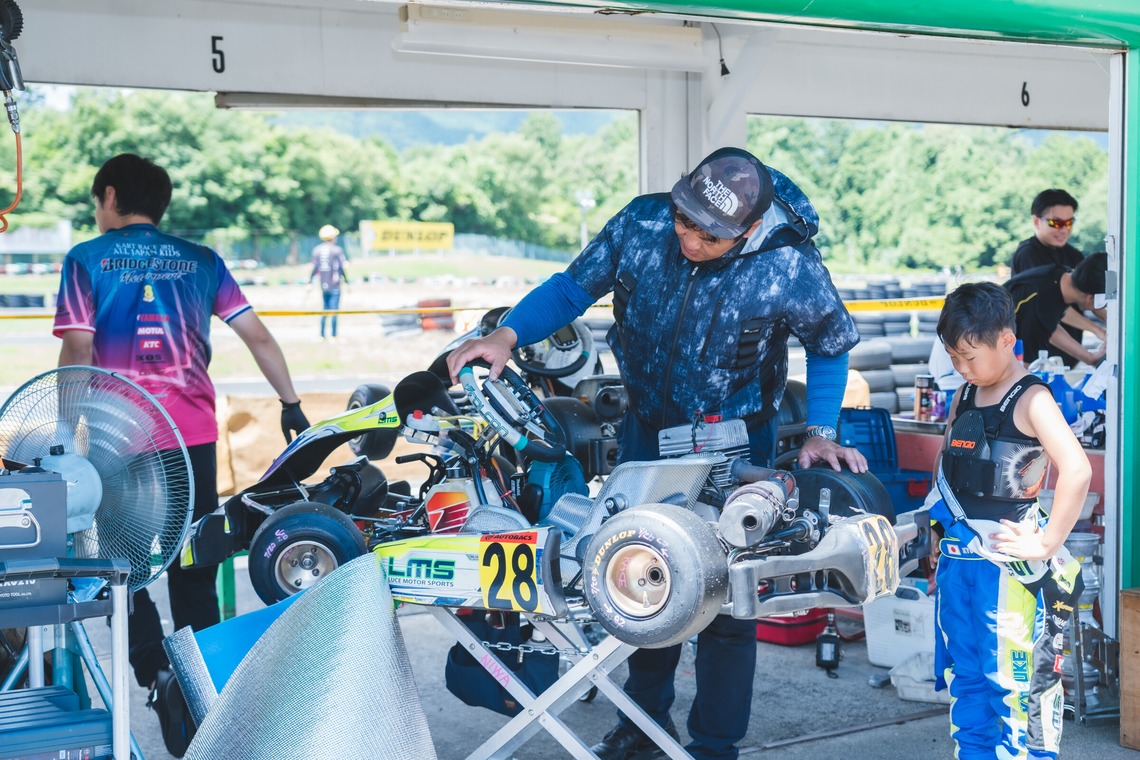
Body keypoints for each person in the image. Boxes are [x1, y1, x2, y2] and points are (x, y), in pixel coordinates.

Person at [446, 146, 867, 760]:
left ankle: (715, 744)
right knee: (638, 575)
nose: (690, 239)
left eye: (708, 235)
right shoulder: (641, 224)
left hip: (736, 437)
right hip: (648, 433)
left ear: (748, 231)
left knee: (725, 594)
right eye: (684, 220)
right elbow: (570, 289)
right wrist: (506, 334)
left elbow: (830, 344)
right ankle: (642, 727)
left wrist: (821, 431)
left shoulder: (789, 265)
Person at [52, 153, 310, 753]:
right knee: (195, 562)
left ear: (110, 196)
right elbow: (258, 336)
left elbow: (78, 350)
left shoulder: (86, 260)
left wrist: (67, 434)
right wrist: (290, 401)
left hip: (122, 441)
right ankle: (202, 693)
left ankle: (154, 671)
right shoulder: (203, 261)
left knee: (121, 566)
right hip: (192, 434)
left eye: (97, 202)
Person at [929, 282, 1089, 759]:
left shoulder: (1031, 398)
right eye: (953, 357)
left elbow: (1076, 470)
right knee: (967, 684)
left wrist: (1047, 542)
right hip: (960, 567)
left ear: (1005, 339)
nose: (962, 367)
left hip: (1008, 575)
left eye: (970, 356)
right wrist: (939, 535)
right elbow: (947, 468)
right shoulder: (963, 394)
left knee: (1015, 694)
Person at [1010, 189, 1087, 355]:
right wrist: (1097, 331)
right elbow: (1048, 310)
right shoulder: (1028, 254)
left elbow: (1091, 296)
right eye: (1057, 223)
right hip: (1036, 358)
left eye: (1069, 223)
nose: (1064, 230)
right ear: (1037, 221)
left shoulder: (1074, 255)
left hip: (1069, 356)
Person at [1004, 252, 1107, 368]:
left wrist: (1090, 357)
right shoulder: (1037, 303)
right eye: (1104, 303)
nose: (1103, 308)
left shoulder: (1060, 276)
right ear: (1091, 298)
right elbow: (1023, 366)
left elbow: (1050, 324)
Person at [310, 224, 349, 339]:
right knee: (334, 311)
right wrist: (347, 282)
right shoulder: (337, 250)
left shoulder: (317, 250)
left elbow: (315, 268)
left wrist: (309, 282)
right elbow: (341, 268)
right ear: (333, 237)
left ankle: (322, 335)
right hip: (335, 286)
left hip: (323, 285)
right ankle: (334, 335)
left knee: (324, 309)